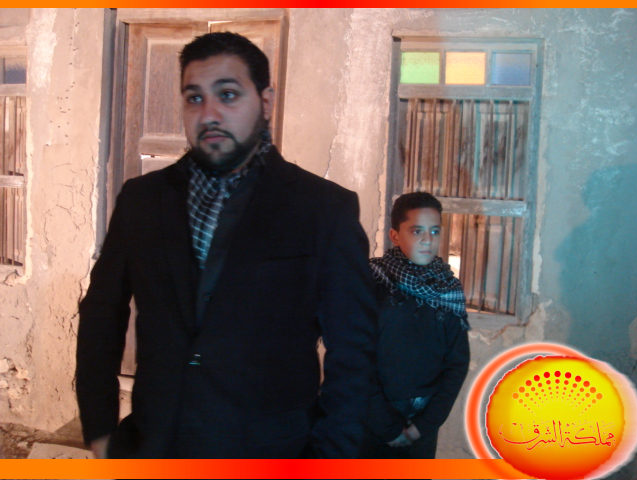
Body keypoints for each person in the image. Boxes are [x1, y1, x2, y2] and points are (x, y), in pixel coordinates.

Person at [76, 32, 377, 459]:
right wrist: (101, 430)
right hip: (154, 445)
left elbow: (354, 352)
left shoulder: (323, 210)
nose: (209, 114)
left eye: (228, 95)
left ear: (266, 102)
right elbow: (102, 314)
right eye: (194, 98)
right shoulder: (142, 200)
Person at [361, 192, 470, 459]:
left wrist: (424, 425)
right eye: (417, 231)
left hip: (422, 427)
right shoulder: (372, 283)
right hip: (371, 421)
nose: (427, 240)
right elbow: (357, 357)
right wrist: (386, 426)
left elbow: (457, 363)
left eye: (434, 231)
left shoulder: (447, 290)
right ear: (395, 236)